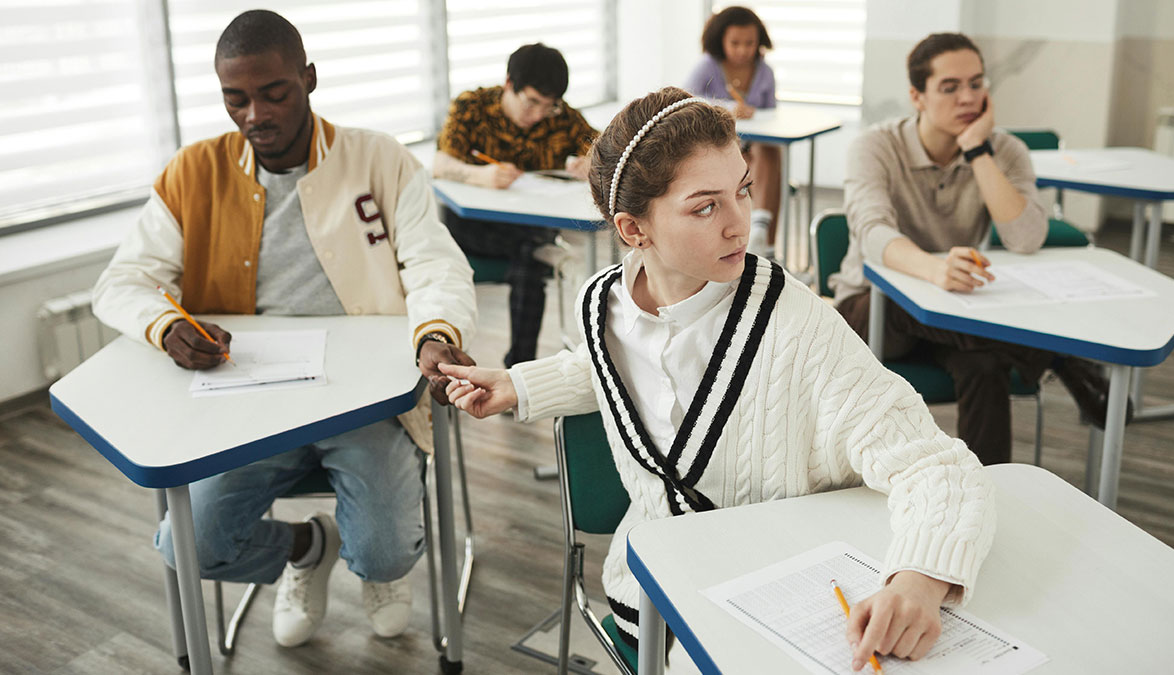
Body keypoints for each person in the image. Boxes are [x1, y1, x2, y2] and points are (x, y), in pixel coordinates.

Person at [439, 87, 996, 673]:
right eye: (705, 207)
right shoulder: (599, 305)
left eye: (743, 191)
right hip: (652, 591)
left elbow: (935, 465)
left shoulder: (795, 320)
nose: (740, 225)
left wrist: (918, 580)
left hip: (787, 590)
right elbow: (615, 366)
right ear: (634, 231)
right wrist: (520, 386)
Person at [91, 10, 477, 648]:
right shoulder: (193, 172)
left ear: (309, 79)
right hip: (248, 398)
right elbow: (120, 282)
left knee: (383, 552)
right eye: (235, 99)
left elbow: (435, 264)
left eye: (274, 93)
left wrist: (435, 331)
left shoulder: (377, 159)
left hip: (365, 396)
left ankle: (377, 564)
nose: (255, 115)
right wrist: (165, 325)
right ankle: (308, 547)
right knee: (189, 548)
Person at [829, 32, 1119, 466]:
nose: (968, 97)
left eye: (977, 83)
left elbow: (1025, 237)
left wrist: (978, 150)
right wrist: (931, 269)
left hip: (956, 312)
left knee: (984, 367)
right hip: (874, 310)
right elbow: (872, 233)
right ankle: (1056, 354)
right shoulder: (875, 146)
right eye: (950, 87)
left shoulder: (1006, 150)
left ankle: (990, 487)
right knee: (900, 303)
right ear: (917, 96)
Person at [433, 43, 598, 368]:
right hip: (472, 227)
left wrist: (590, 164)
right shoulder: (472, 107)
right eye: (532, 102)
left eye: (547, 107)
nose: (538, 114)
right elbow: (439, 164)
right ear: (510, 84)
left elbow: (607, 149)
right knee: (532, 255)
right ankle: (520, 368)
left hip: (530, 227)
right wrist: (479, 175)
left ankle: (519, 367)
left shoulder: (561, 118)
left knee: (528, 255)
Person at [684, 6, 782, 259]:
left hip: (755, 151)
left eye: (749, 43)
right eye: (735, 43)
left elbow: (771, 118)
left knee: (770, 152)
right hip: (716, 149)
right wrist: (730, 108)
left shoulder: (765, 72)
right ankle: (759, 239)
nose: (743, 50)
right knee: (759, 161)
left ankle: (763, 240)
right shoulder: (706, 67)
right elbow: (685, 105)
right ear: (721, 41)